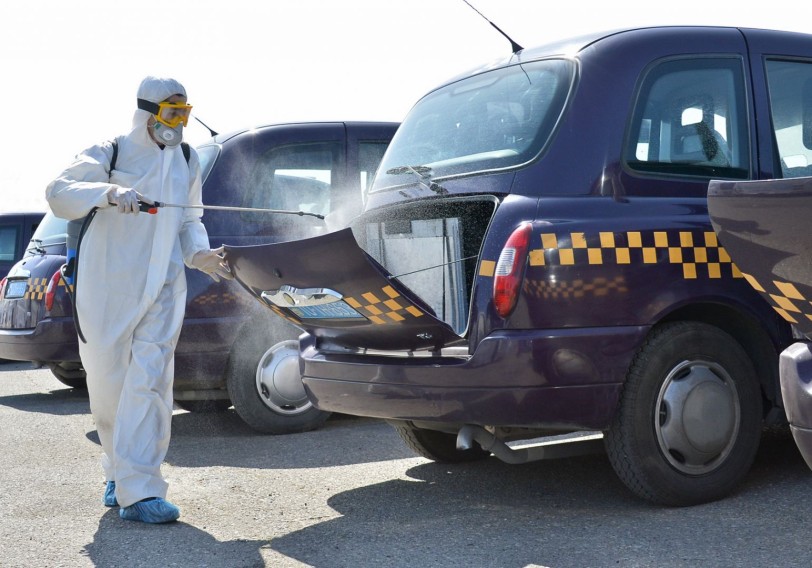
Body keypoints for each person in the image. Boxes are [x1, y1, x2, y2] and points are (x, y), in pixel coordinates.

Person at [46, 76, 232, 524]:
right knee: (109, 387)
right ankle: (117, 471)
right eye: (171, 114)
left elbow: (190, 220)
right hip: (107, 287)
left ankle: (142, 488)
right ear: (147, 112)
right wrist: (108, 194)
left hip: (164, 288)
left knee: (149, 384)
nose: (177, 125)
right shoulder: (109, 152)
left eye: (184, 115)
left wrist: (198, 254)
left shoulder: (186, 159)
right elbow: (58, 193)